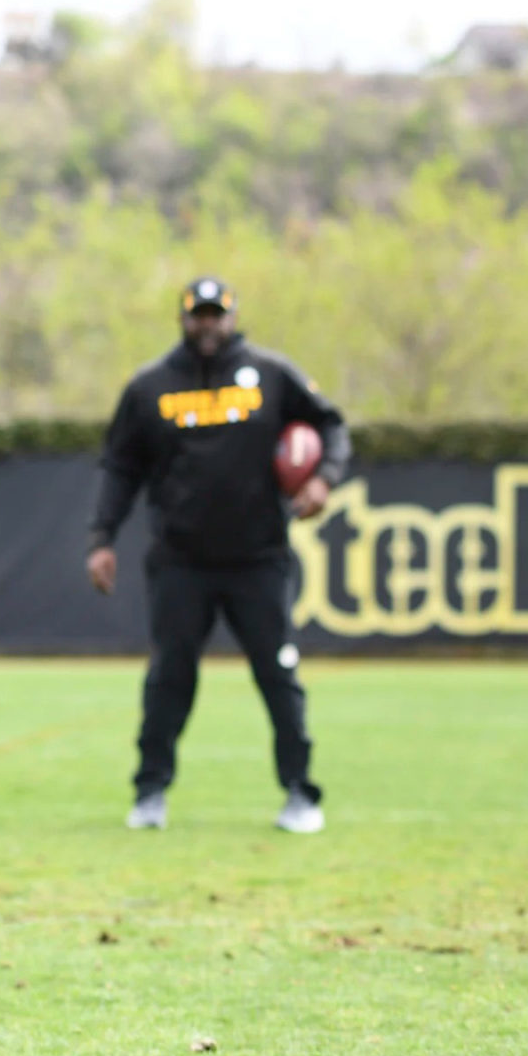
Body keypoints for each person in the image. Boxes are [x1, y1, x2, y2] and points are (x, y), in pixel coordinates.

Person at [86, 277, 349, 834]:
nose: (208, 325)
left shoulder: (272, 375)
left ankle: (301, 792)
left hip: (258, 557)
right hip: (180, 560)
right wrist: (101, 536)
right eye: (198, 315)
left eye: (217, 315)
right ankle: (150, 791)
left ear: (232, 317)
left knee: (278, 676)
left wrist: (324, 479)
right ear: (183, 319)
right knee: (169, 677)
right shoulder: (150, 386)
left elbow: (331, 423)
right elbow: (120, 467)